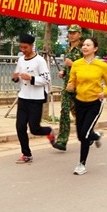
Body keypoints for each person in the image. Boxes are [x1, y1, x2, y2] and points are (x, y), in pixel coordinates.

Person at [66, 37, 107, 175]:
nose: (84, 47)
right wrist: (70, 86)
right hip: (79, 102)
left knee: (84, 134)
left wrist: (104, 93)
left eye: (88, 45)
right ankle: (96, 135)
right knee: (81, 135)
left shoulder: (102, 65)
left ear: (95, 48)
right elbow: (72, 82)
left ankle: (81, 164)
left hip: (94, 103)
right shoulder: (76, 64)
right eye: (84, 45)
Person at [13, 33, 55, 164]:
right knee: (20, 127)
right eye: (21, 47)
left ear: (32, 46)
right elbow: (18, 76)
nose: (23, 50)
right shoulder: (20, 60)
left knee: (34, 129)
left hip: (36, 98)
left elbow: (47, 79)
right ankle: (26, 154)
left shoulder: (40, 61)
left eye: (25, 47)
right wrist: (15, 78)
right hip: (23, 97)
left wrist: (31, 78)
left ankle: (49, 131)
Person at [53, 24, 83, 151]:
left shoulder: (83, 50)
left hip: (79, 86)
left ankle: (88, 134)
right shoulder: (68, 50)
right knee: (64, 111)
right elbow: (67, 67)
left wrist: (73, 64)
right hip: (67, 86)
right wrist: (63, 72)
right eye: (70, 33)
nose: (71, 35)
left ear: (79, 34)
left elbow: (87, 67)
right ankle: (62, 140)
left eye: (74, 33)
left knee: (79, 113)